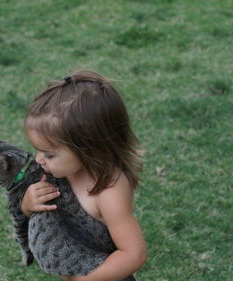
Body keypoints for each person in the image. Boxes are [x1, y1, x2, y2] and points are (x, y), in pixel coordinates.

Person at [21, 70, 147, 281]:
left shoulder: (109, 191)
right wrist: (28, 204)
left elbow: (134, 254)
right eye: (38, 150)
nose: (39, 159)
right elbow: (32, 215)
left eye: (49, 154)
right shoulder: (57, 171)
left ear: (88, 149)